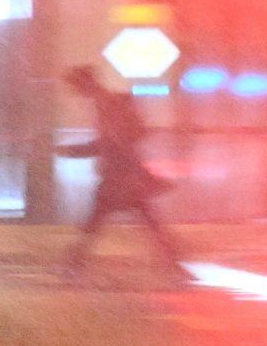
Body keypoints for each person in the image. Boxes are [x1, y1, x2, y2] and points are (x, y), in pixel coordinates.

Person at [58, 64, 182, 276]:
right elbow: (122, 138)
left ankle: (73, 265)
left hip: (118, 176)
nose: (75, 93)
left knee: (98, 220)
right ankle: (174, 262)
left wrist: (73, 151)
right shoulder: (109, 102)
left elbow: (109, 143)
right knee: (145, 220)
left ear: (84, 85)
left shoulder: (107, 104)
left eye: (76, 87)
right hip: (125, 175)